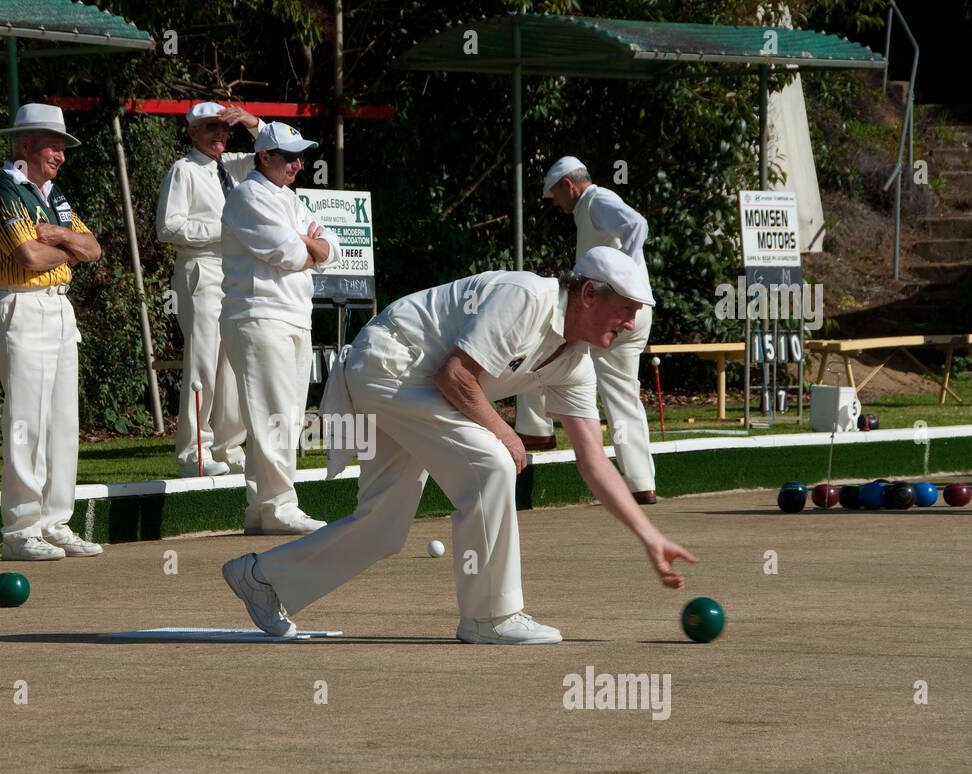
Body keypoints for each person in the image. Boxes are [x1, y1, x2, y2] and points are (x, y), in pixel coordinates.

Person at [222, 248, 697, 644]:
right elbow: (454, 375)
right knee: (492, 462)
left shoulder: (574, 360)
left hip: (410, 382)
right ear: (589, 293)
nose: (633, 324)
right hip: (391, 364)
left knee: (383, 528)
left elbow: (594, 462)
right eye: (628, 309)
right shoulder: (526, 298)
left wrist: (649, 536)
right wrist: (505, 433)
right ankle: (489, 617)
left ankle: (261, 577)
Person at [0, 103, 103, 561]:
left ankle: (55, 522)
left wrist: (61, 238)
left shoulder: (55, 194)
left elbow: (95, 248)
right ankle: (21, 529)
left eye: (63, 147)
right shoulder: (2, 189)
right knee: (26, 419)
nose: (62, 155)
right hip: (17, 303)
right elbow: (28, 258)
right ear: (25, 144)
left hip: (58, 307)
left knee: (63, 422)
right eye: (54, 145)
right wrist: (67, 246)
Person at [220, 121, 340, 535]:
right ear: (264, 156)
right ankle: (278, 504)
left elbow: (333, 249)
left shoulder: (291, 200)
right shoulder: (246, 195)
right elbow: (289, 253)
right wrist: (309, 246)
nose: (298, 164)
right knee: (273, 416)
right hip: (257, 314)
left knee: (287, 417)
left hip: (294, 315)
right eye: (289, 156)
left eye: (300, 156)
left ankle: (261, 510)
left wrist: (313, 246)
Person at [516, 156, 658, 505]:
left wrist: (624, 271)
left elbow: (636, 224)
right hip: (634, 310)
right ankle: (641, 483)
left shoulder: (596, 200)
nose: (556, 204)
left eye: (555, 196)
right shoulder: (590, 208)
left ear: (568, 185)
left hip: (611, 311)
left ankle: (536, 430)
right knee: (621, 391)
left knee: (543, 349)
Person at [156, 102, 262, 478]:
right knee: (202, 362)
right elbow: (167, 228)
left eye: (223, 127)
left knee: (234, 362)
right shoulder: (183, 171)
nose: (219, 134)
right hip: (199, 268)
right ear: (192, 132)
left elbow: (274, 150)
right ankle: (193, 454)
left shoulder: (234, 165)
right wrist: (223, 230)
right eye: (210, 127)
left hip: (233, 272)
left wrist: (251, 121)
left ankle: (228, 446)